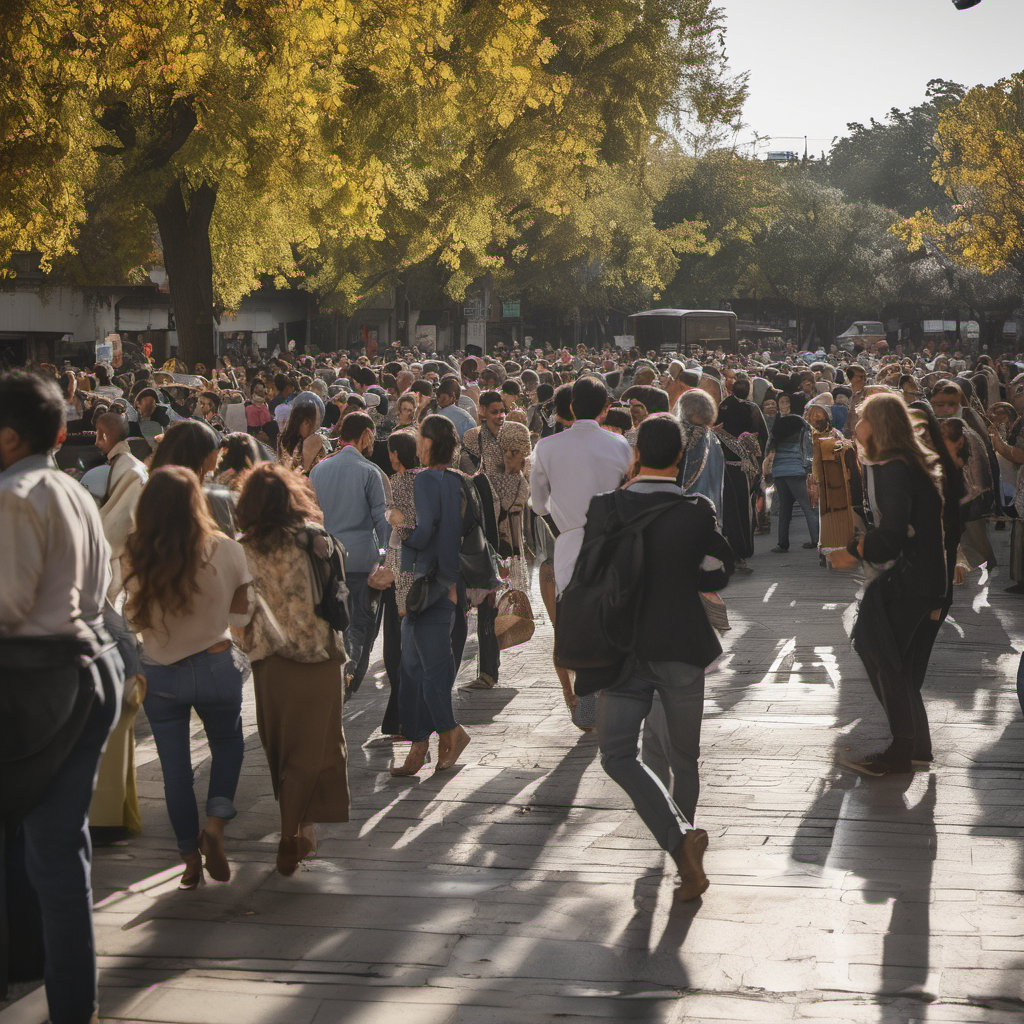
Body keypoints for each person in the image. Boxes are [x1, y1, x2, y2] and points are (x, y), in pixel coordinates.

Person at [0, 371, 124, 1024]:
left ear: (10, 437)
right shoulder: (71, 489)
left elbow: (7, 605)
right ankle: (75, 1005)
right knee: (59, 855)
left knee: (51, 855)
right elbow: (100, 590)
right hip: (89, 668)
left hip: (36, 685)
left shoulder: (14, 495)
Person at [583, 414, 734, 899]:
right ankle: (684, 846)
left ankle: (679, 843)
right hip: (682, 646)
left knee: (616, 754)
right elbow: (717, 572)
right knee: (684, 758)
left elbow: (588, 574)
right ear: (681, 457)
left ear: (636, 455)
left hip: (623, 650)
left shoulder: (606, 507)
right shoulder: (697, 509)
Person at [123, 466, 253, 887]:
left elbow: (131, 619)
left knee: (175, 770)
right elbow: (241, 617)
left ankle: (188, 858)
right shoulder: (228, 549)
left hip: (160, 672)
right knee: (228, 744)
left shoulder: (135, 552)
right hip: (216, 663)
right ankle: (215, 824)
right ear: (197, 502)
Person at [236, 465, 350, 876]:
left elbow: (240, 613)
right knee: (317, 748)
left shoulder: (244, 550)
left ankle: (298, 829)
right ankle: (296, 832)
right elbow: (339, 588)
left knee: (283, 749)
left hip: (271, 664)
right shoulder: (315, 539)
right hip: (320, 658)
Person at [829, 393, 947, 776]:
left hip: (911, 579)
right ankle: (915, 747)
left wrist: (853, 551)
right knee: (897, 662)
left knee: (877, 649)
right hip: (924, 578)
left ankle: (901, 751)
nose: (856, 425)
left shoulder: (894, 467)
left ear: (877, 425)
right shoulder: (902, 463)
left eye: (862, 418)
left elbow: (892, 534)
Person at [531, 375, 633, 721]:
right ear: (605, 408)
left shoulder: (547, 448)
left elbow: (538, 504)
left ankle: (588, 697)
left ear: (572, 406)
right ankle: (613, 693)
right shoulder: (620, 445)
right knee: (613, 617)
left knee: (579, 622)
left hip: (571, 542)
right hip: (614, 542)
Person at [391, 415, 471, 776]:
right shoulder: (457, 479)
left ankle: (450, 732)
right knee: (412, 667)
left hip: (431, 584)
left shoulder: (426, 479)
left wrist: (399, 526)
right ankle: (420, 743)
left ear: (430, 443)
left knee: (429, 670)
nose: (417, 443)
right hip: (441, 583)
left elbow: (426, 533)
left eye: (420, 437)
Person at [309, 411, 390, 693]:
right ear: (365, 435)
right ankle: (351, 676)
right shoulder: (369, 471)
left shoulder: (319, 470)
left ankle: (338, 673)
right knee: (361, 622)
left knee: (334, 620)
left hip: (327, 556)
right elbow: (381, 518)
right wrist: (387, 556)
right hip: (361, 557)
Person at [94, 411, 148, 600]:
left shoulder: (130, 470)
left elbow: (117, 522)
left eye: (97, 434)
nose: (95, 441)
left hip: (120, 556)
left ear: (103, 435)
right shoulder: (129, 464)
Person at [766, 413, 818, 553]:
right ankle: (816, 539)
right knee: (808, 506)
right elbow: (808, 449)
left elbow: (767, 449)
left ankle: (782, 544)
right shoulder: (802, 428)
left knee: (784, 508)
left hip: (779, 471)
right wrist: (809, 467)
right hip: (796, 471)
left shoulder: (776, 430)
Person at [460, 390, 506, 475]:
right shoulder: (472, 436)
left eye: (502, 411)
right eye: (494, 412)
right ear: (483, 410)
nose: (500, 416)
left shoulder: (510, 435)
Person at [278, 402, 327, 475]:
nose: (317, 426)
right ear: (306, 422)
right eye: (316, 420)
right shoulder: (313, 441)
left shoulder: (285, 439)